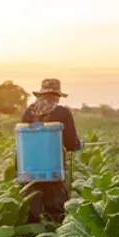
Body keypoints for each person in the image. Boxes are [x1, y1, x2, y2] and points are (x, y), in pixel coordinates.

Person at [20, 78, 81, 223]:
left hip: (29, 170)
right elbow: (71, 143)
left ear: (40, 95)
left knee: (30, 212)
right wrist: (78, 145)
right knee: (56, 212)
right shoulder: (62, 112)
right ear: (57, 96)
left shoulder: (28, 113)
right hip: (53, 170)